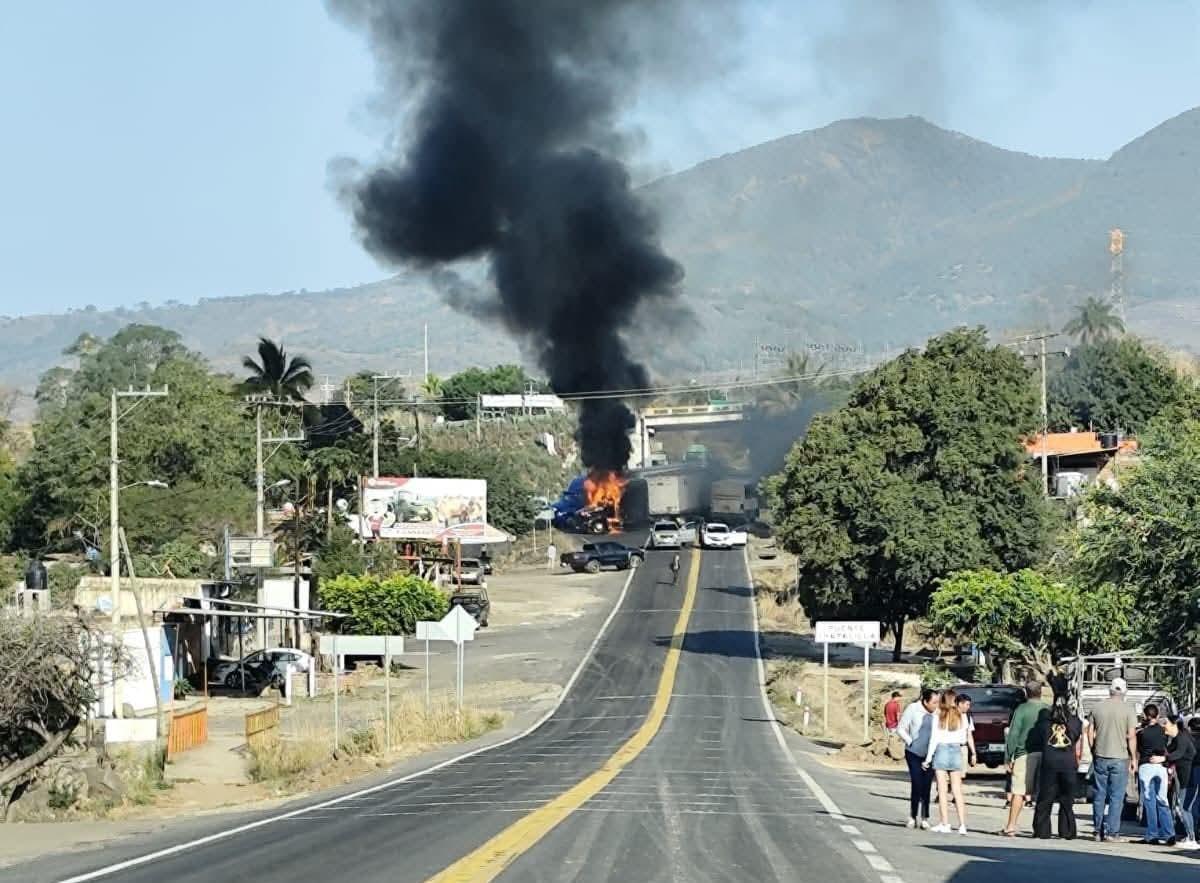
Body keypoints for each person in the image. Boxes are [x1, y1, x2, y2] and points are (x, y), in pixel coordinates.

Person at [1089, 676, 1138, 842]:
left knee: (1099, 794)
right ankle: (1112, 832)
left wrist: (1093, 749)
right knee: (1116, 797)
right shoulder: (1128, 710)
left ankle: (1097, 830)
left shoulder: (1097, 707)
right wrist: (1133, 758)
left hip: (1100, 755)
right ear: (1124, 692)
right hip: (1120, 757)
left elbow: (1090, 731)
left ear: (1110, 690)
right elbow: (1131, 736)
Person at [1003, 681, 1049, 836]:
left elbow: (1014, 734)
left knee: (1018, 791)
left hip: (1024, 754)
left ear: (1026, 692)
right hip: (1044, 753)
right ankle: (1041, 828)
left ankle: (1011, 826)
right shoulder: (1047, 709)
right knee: (1041, 792)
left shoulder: (1021, 709)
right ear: (1041, 692)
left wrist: (1008, 756)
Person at [1033, 698, 1082, 840]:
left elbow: (1038, 740)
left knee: (1045, 798)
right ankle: (1067, 831)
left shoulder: (1043, 723)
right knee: (1067, 799)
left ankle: (1042, 831)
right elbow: (1076, 738)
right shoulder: (1075, 722)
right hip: (1068, 763)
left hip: (1050, 762)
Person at [924, 688, 971, 834]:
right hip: (956, 750)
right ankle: (962, 825)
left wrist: (928, 758)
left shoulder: (938, 715)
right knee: (957, 790)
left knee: (942, 791)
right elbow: (963, 738)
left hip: (942, 750)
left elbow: (934, 739)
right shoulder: (962, 716)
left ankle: (945, 823)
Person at [897, 688, 938, 829]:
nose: (936, 705)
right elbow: (901, 728)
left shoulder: (937, 713)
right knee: (916, 783)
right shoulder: (913, 708)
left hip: (930, 754)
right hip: (913, 753)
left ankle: (925, 817)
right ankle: (913, 815)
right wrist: (910, 741)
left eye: (938, 702)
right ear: (925, 701)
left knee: (927, 785)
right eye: (934, 702)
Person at [1136, 702, 1173, 845]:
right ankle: (1169, 833)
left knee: (1149, 802)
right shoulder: (1164, 731)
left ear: (1145, 716)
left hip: (1146, 766)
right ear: (1157, 715)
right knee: (1163, 800)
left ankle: (1152, 834)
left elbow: (1138, 748)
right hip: (1161, 766)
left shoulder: (1141, 733)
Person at [1164, 714, 1197, 848]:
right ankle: (1189, 836)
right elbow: (1169, 752)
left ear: (1174, 725)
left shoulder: (1182, 738)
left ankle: (1191, 838)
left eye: (1166, 723)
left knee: (1182, 808)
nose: (1164, 726)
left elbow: (1178, 754)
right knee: (1181, 807)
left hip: (1187, 779)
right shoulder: (1178, 738)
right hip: (1183, 777)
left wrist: (1163, 758)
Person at [956, 693, 977, 773]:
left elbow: (969, 736)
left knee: (962, 775)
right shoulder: (950, 716)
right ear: (960, 704)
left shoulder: (968, 717)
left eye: (969, 705)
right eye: (967, 704)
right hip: (952, 748)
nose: (969, 707)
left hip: (963, 748)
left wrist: (973, 753)